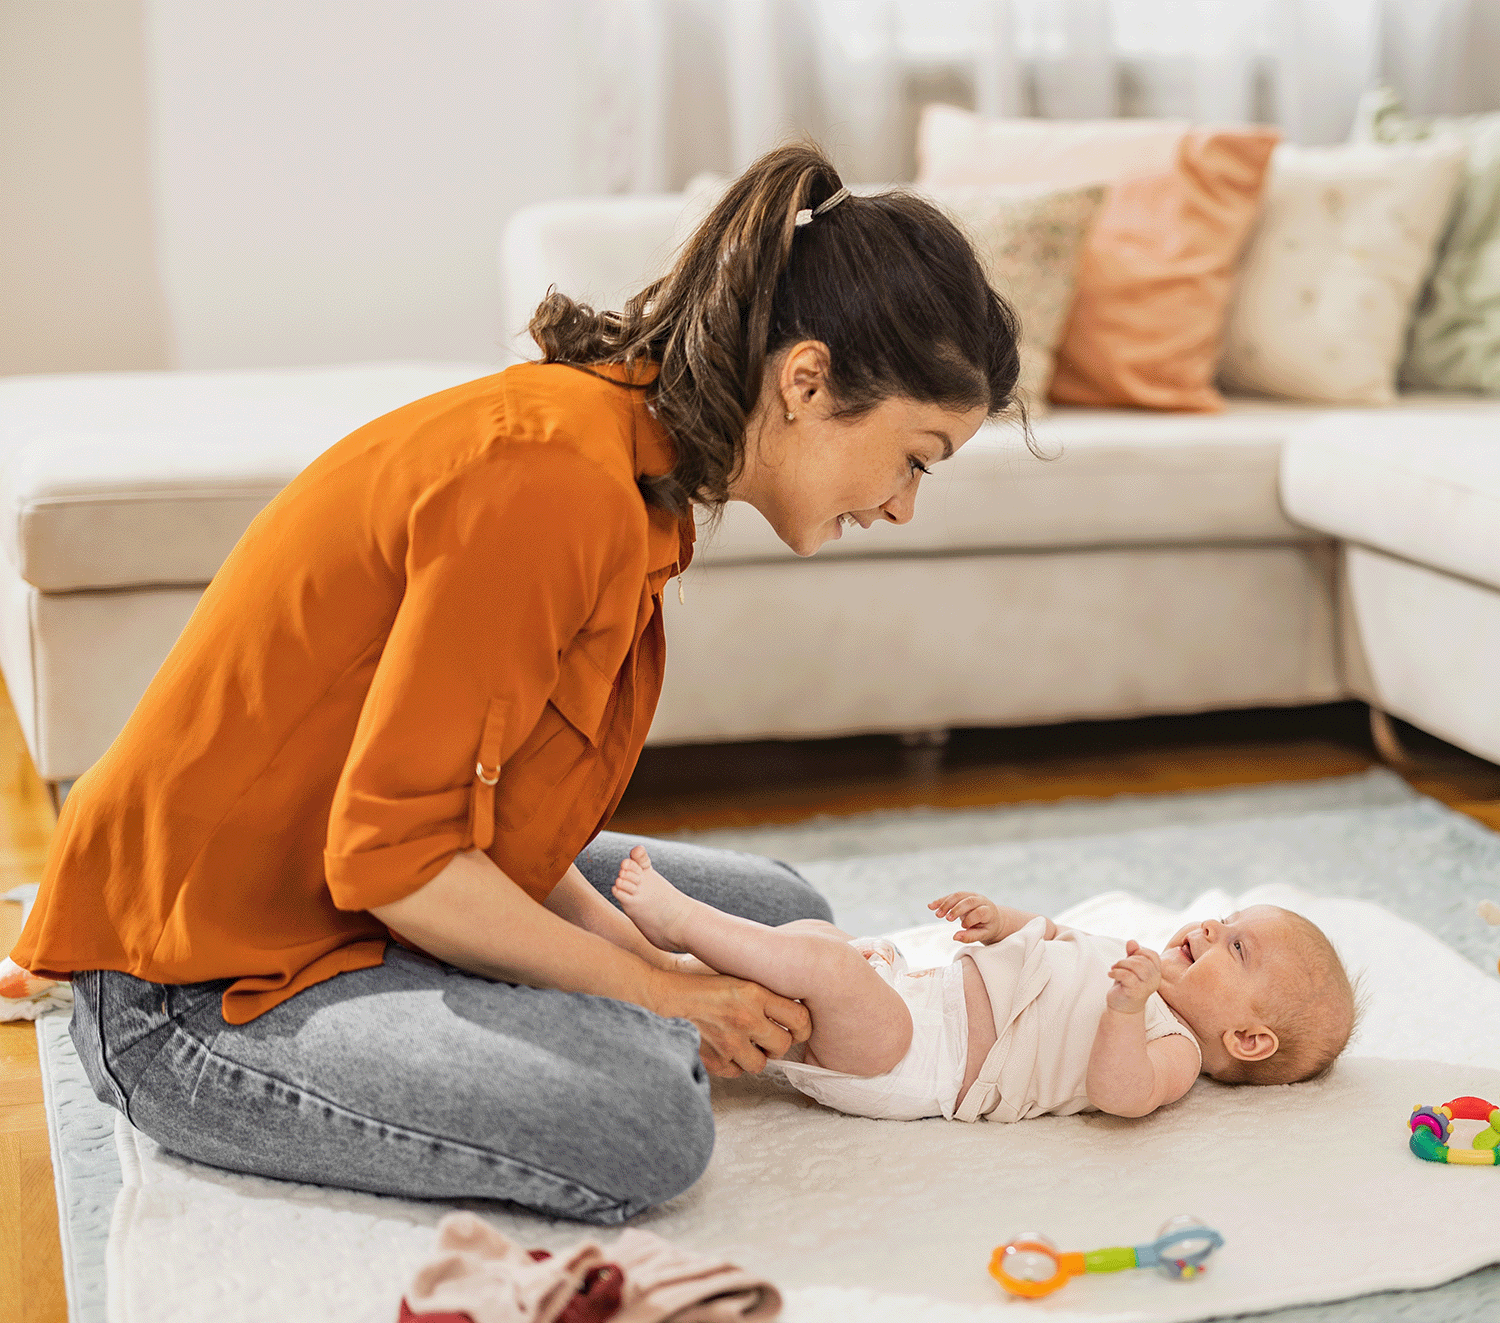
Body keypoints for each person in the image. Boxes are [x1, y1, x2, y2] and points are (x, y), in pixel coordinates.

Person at [5, 143, 1026, 1222]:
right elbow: (400, 862)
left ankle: (529, 998)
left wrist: (644, 959)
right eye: (917, 456)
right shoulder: (550, 483)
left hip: (354, 865)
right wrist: (660, 993)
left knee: (784, 919)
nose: (905, 505)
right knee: (645, 1120)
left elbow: (488, 820)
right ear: (807, 379)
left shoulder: (639, 478)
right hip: (191, 988)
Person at [610, 845, 1359, 1124]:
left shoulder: (1176, 1047)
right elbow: (1054, 936)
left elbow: (1124, 1095)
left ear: (1248, 1038)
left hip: (918, 1062)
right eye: (1222, 919)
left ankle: (683, 923)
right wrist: (1001, 919)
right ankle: (661, 972)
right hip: (913, 993)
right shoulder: (1139, 962)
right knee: (815, 943)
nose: (1206, 929)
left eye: (1236, 947)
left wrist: (1126, 1013)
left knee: (823, 969)